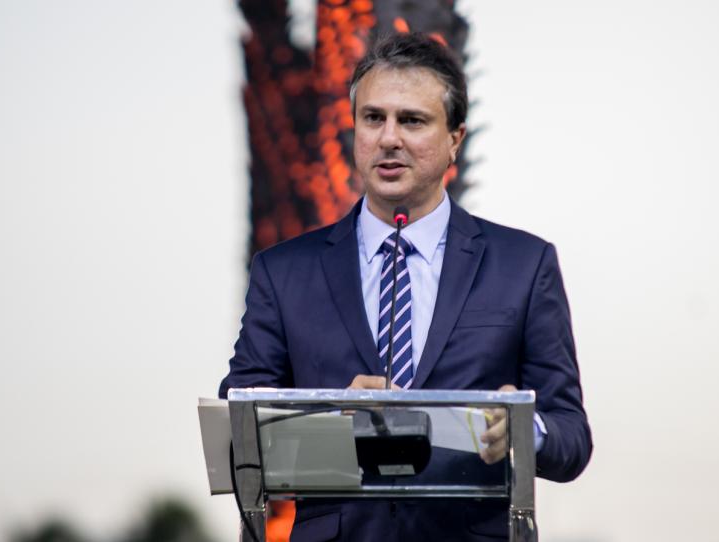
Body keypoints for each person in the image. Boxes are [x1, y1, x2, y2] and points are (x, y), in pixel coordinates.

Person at [220, 32, 592, 541]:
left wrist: (524, 429)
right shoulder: (283, 272)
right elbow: (238, 430)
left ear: (456, 139)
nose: (389, 138)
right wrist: (331, 414)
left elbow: (572, 436)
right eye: (373, 118)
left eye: (412, 120)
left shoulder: (524, 265)